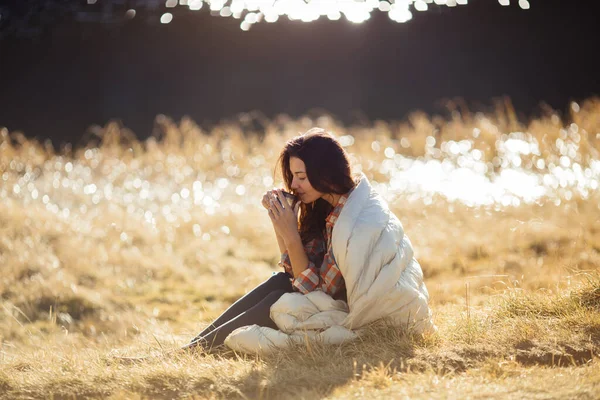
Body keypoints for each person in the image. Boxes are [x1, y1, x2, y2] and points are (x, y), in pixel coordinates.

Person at [184, 128, 359, 352]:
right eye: (293, 176)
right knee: (279, 282)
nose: (294, 185)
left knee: (279, 294)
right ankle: (194, 347)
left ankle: (196, 350)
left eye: (302, 177)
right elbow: (294, 275)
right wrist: (281, 224)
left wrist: (290, 234)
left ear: (325, 174)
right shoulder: (326, 208)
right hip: (322, 299)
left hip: (343, 310)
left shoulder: (346, 218)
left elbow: (317, 292)